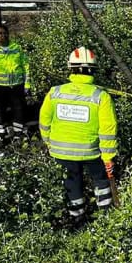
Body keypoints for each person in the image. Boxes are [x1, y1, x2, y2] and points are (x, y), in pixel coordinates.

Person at [39, 47, 117, 227]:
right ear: (93, 69)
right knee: (101, 181)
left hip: (62, 152)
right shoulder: (100, 96)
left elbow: (44, 121)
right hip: (92, 153)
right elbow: (108, 129)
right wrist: (108, 158)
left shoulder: (55, 92)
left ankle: (77, 221)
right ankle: (106, 219)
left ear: (70, 68)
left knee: (72, 185)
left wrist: (50, 144)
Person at [0, 24, 30, 137]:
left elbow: (25, 66)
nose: (3, 35)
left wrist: (27, 84)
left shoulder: (16, 48)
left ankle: (18, 133)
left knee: (18, 110)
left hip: (16, 85)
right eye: (0, 33)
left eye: (5, 33)